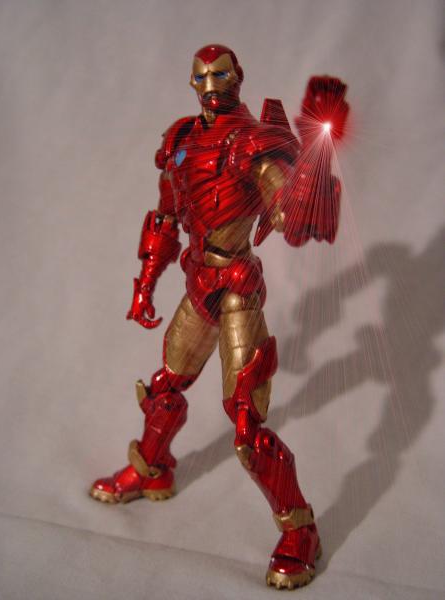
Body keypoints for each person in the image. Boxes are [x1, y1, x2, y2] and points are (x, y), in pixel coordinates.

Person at [90, 44, 348, 590]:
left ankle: (300, 529)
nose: (211, 86)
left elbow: (288, 215)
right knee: (165, 388)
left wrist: (312, 178)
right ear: (191, 82)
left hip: (236, 289)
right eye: (202, 77)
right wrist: (145, 286)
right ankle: (154, 469)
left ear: (238, 77)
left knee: (246, 425)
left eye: (221, 75)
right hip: (198, 282)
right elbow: (165, 217)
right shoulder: (180, 139)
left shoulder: (253, 143)